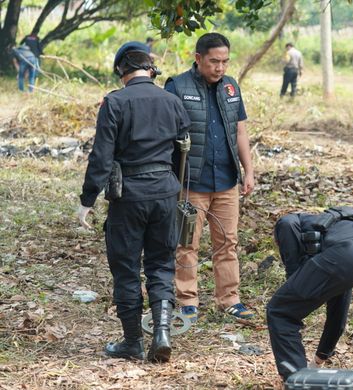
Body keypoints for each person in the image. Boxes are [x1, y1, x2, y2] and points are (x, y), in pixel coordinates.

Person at [77, 41, 190, 362]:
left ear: (121, 70)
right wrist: (177, 190)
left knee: (126, 268)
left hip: (129, 197)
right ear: (150, 69)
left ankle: (132, 342)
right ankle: (163, 333)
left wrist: (87, 200)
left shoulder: (114, 103)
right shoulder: (172, 102)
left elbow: (101, 156)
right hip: (166, 193)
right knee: (161, 265)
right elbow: (184, 152)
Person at [164, 32, 256, 323]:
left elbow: (240, 131)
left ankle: (229, 299)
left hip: (226, 179)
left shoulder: (231, 87)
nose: (220, 68)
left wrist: (248, 171)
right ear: (198, 58)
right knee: (186, 242)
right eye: (214, 61)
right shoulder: (177, 86)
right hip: (191, 182)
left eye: (225, 62)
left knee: (228, 242)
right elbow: (165, 134)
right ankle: (187, 300)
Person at [267, 207, 353, 389]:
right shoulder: (336, 228)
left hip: (349, 254)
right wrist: (321, 357)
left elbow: (295, 282)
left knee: (281, 311)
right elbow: (337, 313)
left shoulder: (290, 223)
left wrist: (296, 283)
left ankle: (296, 381)